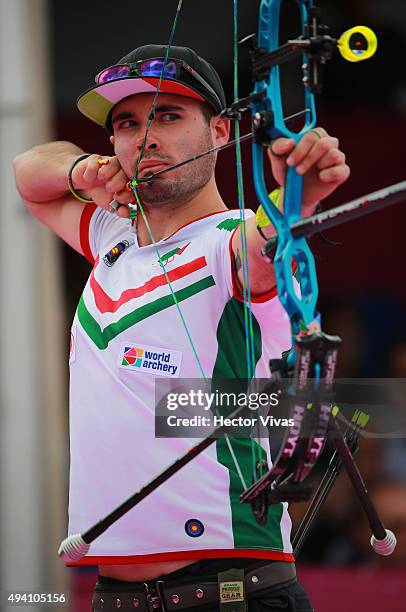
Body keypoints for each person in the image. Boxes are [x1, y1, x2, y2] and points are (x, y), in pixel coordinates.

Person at [13, 44, 349, 611]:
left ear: (220, 131)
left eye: (168, 116)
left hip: (231, 591)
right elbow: (27, 174)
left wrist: (297, 193)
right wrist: (84, 171)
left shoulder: (229, 244)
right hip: (116, 597)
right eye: (127, 123)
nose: (145, 138)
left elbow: (264, 244)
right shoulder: (109, 240)